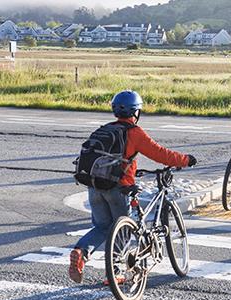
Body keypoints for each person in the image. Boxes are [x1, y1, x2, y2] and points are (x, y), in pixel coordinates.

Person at [69, 90, 197, 284]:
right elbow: (160, 154)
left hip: (94, 185)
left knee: (103, 227)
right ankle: (115, 272)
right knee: (124, 229)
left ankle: (81, 251)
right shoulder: (133, 132)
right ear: (136, 112)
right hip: (118, 188)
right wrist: (186, 160)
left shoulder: (104, 129)